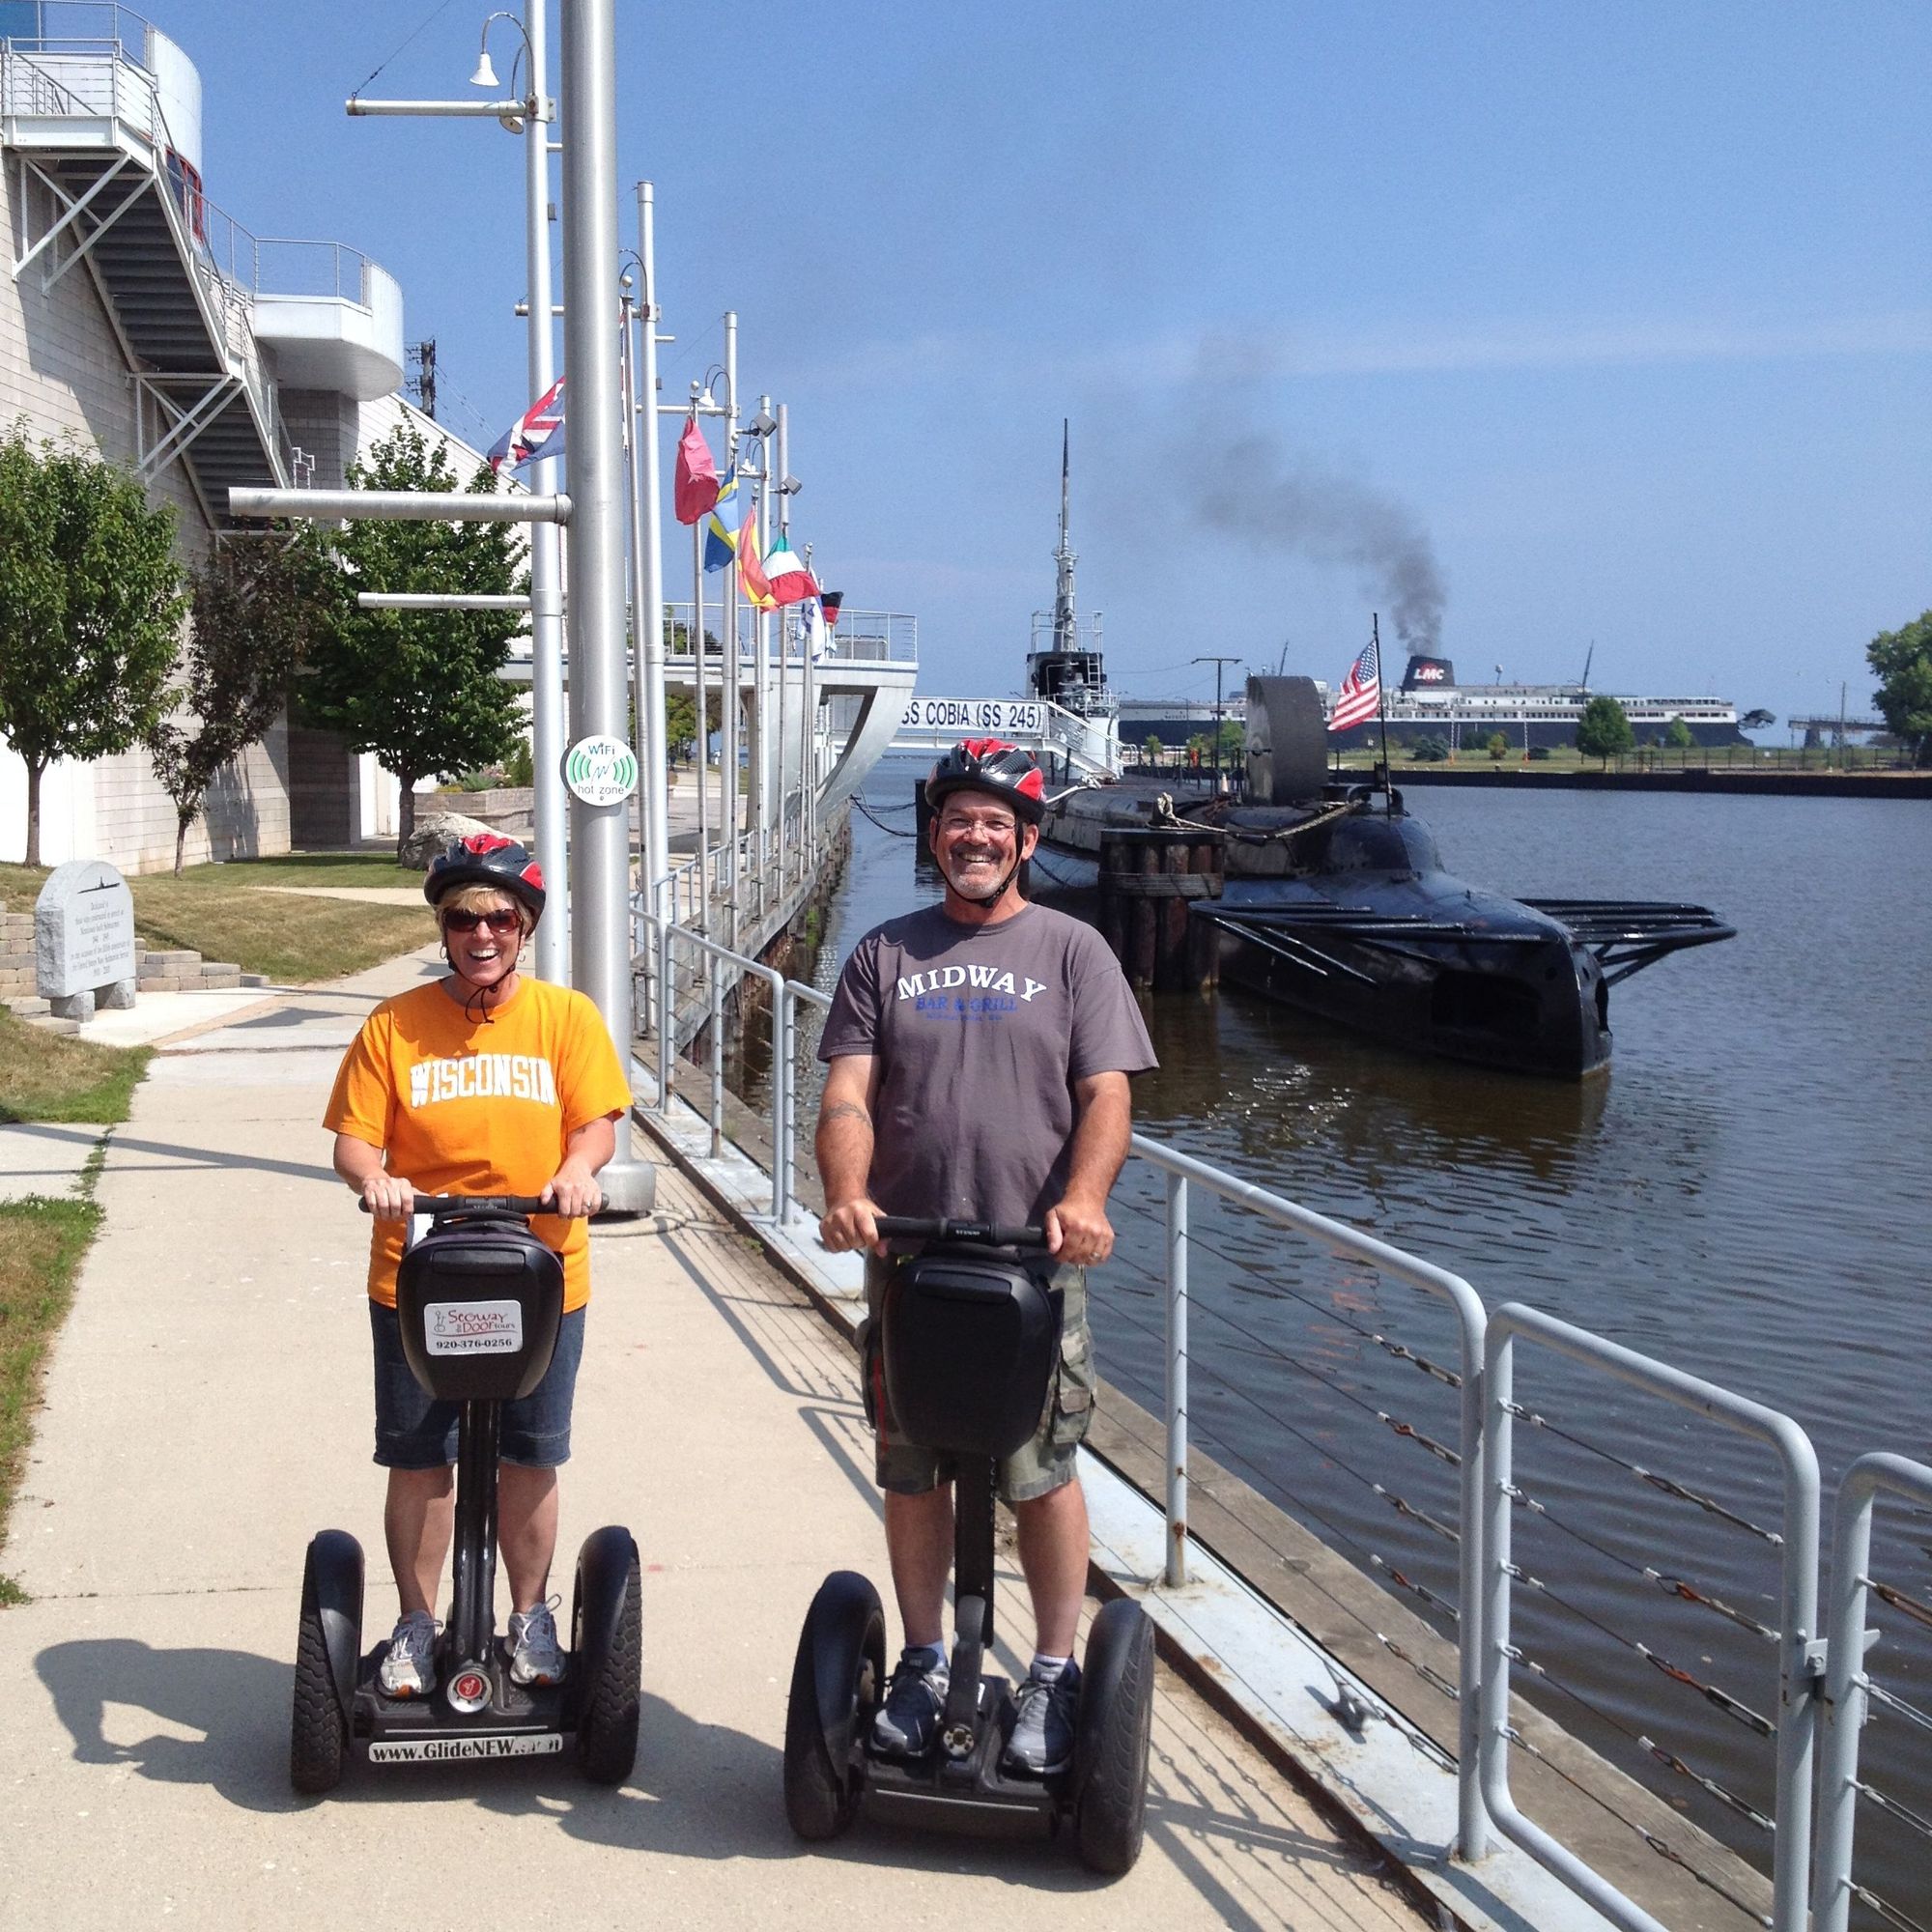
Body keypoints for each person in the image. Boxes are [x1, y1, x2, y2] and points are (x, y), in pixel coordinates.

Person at [815, 738, 1156, 1776]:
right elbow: (848, 1091)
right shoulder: (884, 953)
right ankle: (924, 1661)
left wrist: (1086, 1199)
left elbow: (1106, 1093)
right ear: (935, 835)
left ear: (1027, 841)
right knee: (912, 1467)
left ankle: (1051, 1668)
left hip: (1032, 1263)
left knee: (1040, 1471)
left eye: (995, 823)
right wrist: (846, 1191)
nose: (975, 836)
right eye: (958, 819)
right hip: (910, 1261)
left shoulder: (1074, 952)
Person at [324, 832, 631, 1699]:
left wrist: (578, 1170)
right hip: (420, 1276)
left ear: (524, 928)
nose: (482, 934)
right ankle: (418, 1623)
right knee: (421, 1458)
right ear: (444, 929)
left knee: (531, 1455)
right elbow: (354, 1140)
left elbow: (595, 1123)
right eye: (464, 919)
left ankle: (530, 1616)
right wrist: (376, 1179)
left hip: (541, 1274)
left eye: (499, 918)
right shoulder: (394, 1024)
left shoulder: (565, 1019)